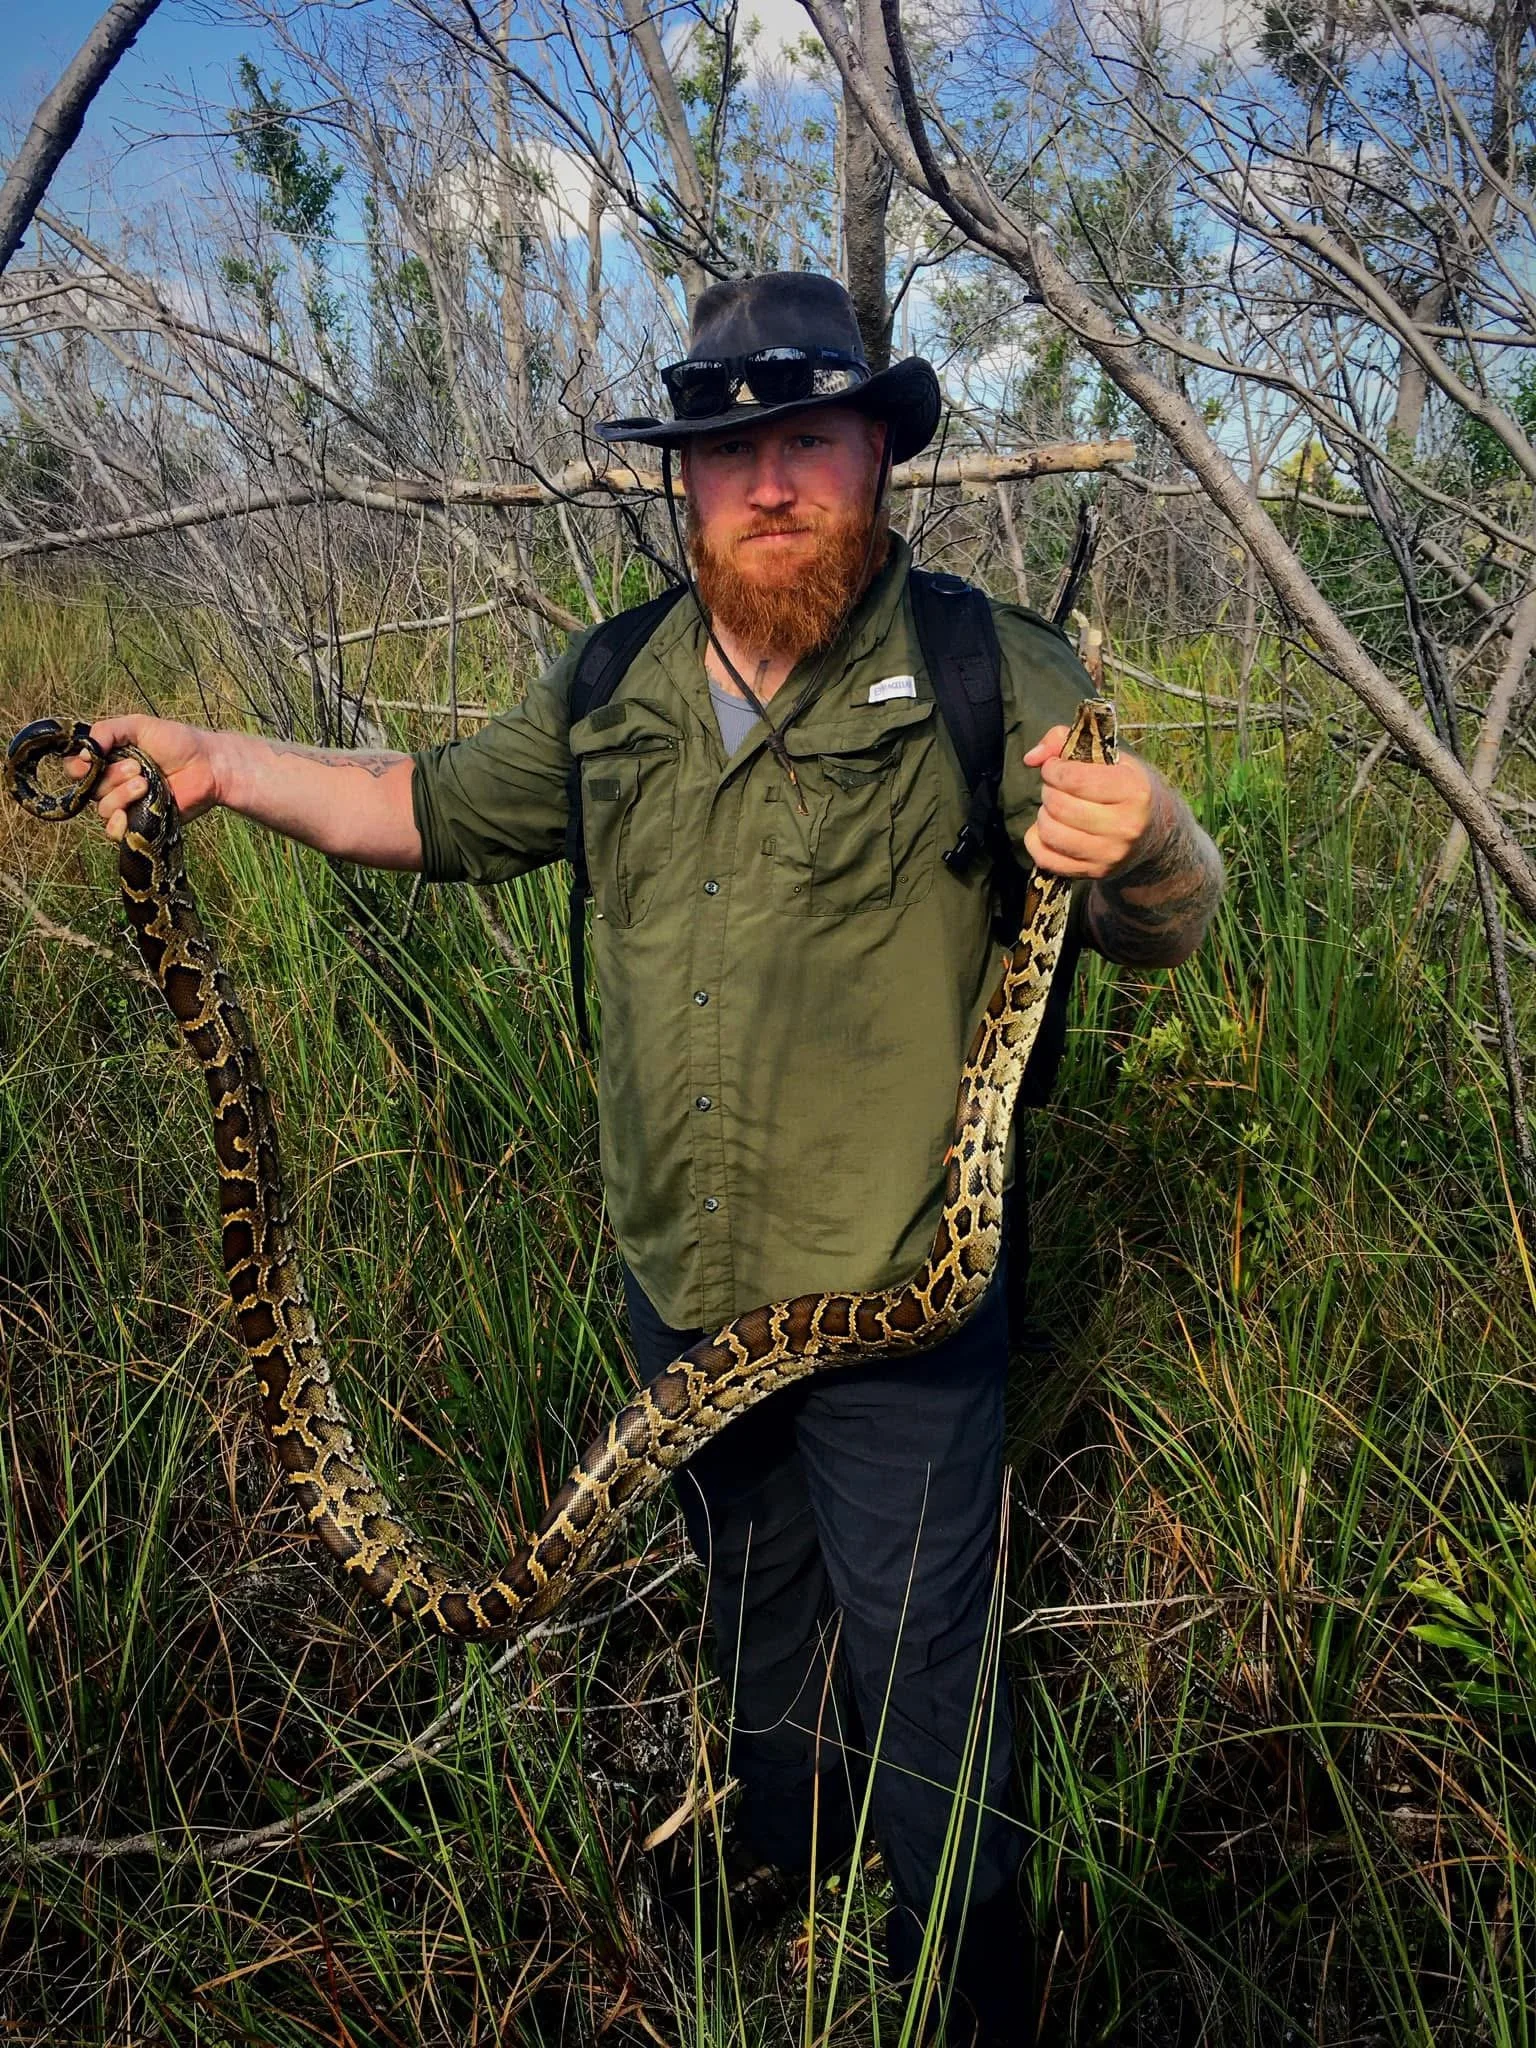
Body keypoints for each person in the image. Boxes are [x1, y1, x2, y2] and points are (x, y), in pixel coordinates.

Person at [73, 273, 1223, 2044]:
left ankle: (976, 1978)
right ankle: (785, 1847)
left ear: (876, 458)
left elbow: (1163, 918)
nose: (772, 485)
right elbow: (431, 809)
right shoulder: (611, 681)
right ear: (684, 480)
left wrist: (1151, 839)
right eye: (731, 451)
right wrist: (218, 761)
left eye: (811, 444)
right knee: (754, 1620)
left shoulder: (993, 668)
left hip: (902, 1301)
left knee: (925, 1662)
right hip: (680, 1288)